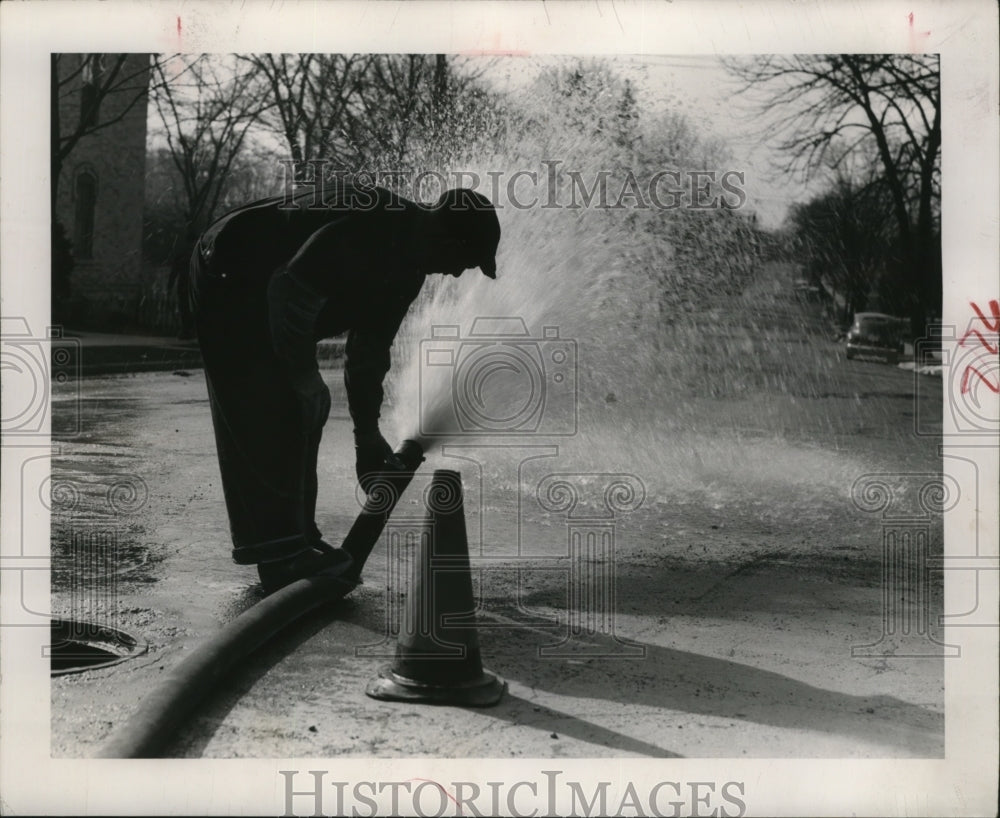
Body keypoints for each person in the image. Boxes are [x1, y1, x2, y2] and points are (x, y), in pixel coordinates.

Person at [189, 183, 501, 593]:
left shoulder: (409, 266)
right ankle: (280, 557)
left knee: (307, 407)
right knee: (276, 401)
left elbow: (368, 354)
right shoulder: (374, 227)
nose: (459, 272)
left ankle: (297, 538)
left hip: (260, 279)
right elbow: (290, 290)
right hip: (231, 268)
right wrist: (303, 376)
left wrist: (366, 436)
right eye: (465, 260)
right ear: (446, 237)